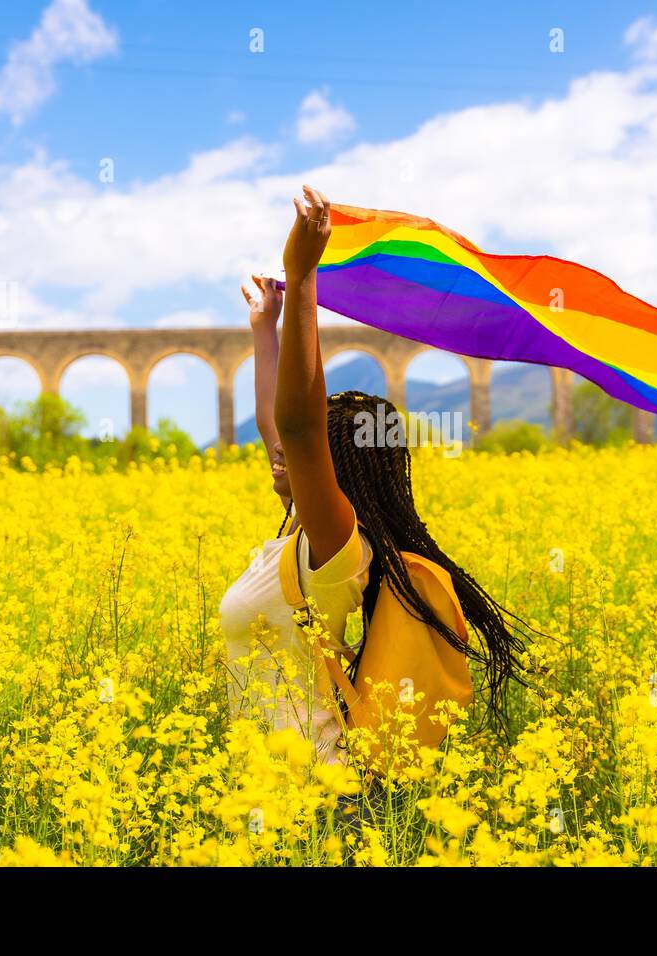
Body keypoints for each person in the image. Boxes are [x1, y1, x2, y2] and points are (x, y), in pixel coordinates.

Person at [218, 185, 531, 846]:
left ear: (336, 474)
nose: (278, 453)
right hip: (271, 810)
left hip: (321, 813)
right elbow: (289, 432)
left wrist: (304, 280)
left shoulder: (335, 553)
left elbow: (301, 430)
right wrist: (264, 329)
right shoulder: (299, 540)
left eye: (304, 457)